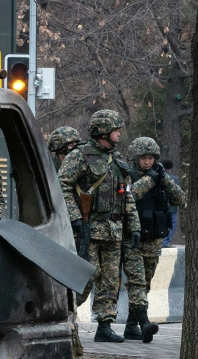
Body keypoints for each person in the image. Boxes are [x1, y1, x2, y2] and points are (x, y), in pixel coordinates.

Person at [58, 109, 140, 343]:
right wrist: (74, 216)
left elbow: (127, 195)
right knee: (86, 277)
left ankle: (104, 326)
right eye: (115, 130)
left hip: (114, 230)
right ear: (103, 131)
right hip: (89, 228)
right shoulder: (80, 155)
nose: (119, 134)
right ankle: (63, 318)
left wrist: (133, 225)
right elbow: (62, 185)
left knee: (112, 279)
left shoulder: (117, 159)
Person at [122, 138, 187, 343]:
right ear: (135, 158)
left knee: (145, 284)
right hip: (132, 239)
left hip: (154, 240)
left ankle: (131, 326)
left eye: (151, 158)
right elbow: (130, 195)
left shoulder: (160, 176)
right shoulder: (127, 175)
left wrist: (163, 179)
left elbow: (180, 199)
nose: (148, 162)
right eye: (144, 158)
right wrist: (150, 178)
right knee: (137, 283)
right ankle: (144, 323)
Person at [160, 159, 181, 248]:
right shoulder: (174, 179)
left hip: (160, 205)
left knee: (161, 222)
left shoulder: (158, 177)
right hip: (171, 206)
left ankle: (161, 240)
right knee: (172, 223)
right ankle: (166, 241)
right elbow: (177, 193)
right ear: (170, 168)